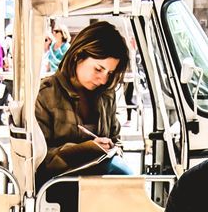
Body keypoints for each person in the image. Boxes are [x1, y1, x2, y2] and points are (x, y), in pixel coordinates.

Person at [33, 20, 133, 183]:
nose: (103, 79)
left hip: (102, 188)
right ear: (78, 56)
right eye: (98, 69)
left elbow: (116, 139)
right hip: (57, 189)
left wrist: (113, 149)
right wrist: (86, 149)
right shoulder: (45, 94)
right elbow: (38, 160)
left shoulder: (107, 95)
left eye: (110, 73)